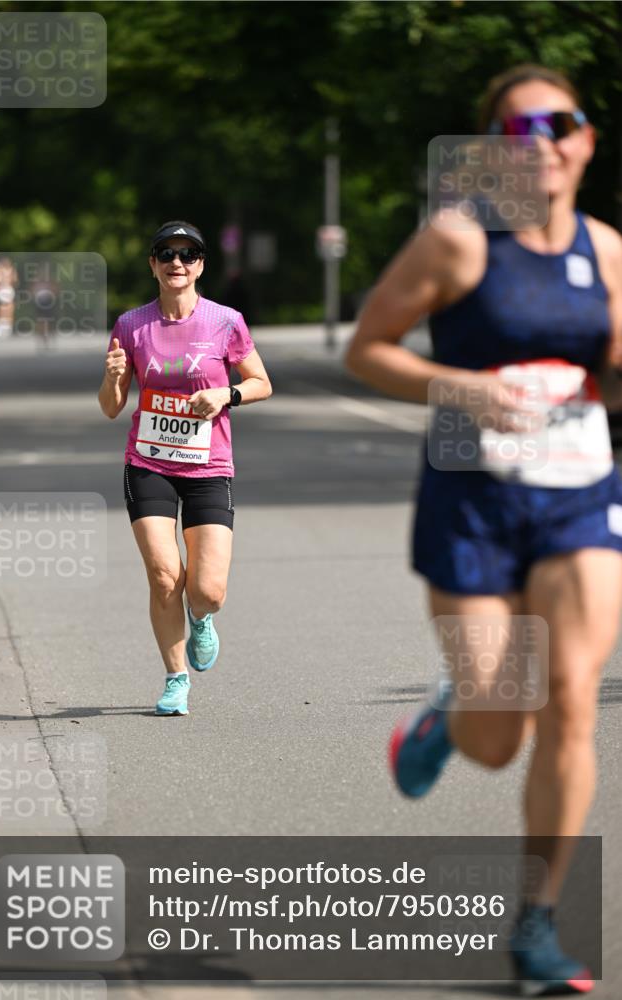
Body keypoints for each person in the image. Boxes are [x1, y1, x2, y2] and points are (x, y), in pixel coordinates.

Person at [346, 65, 622, 996]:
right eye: (517, 127)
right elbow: (366, 348)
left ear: (585, 139)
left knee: (572, 699)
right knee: (500, 730)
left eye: (560, 121)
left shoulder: (609, 251)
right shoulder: (458, 243)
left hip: (578, 495)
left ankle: (537, 925)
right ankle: (445, 718)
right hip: (470, 499)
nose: (540, 138)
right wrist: (455, 386)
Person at [99, 221, 272, 716]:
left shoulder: (226, 321)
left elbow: (261, 382)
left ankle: (201, 617)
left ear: (201, 265)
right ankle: (176, 679)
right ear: (153, 264)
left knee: (207, 590)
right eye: (166, 253)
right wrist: (113, 380)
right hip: (147, 462)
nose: (178, 262)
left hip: (208, 465)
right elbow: (112, 407)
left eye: (188, 254)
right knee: (162, 575)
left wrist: (226, 394)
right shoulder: (132, 325)